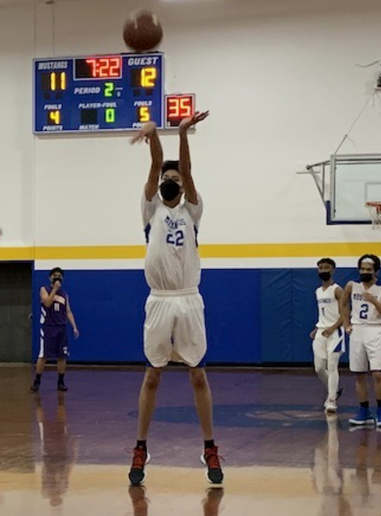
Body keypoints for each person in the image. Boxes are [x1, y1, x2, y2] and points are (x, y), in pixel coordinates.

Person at [126, 111, 224, 487]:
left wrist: (182, 134)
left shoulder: (193, 211)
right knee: (152, 376)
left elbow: (188, 169)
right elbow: (154, 167)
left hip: (189, 299)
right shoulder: (150, 210)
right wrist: (153, 137)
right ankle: (140, 447)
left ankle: (209, 447)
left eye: (174, 179)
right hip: (159, 300)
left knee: (198, 375)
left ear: (183, 187)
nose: (168, 182)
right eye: (166, 179)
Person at [344, 254, 381, 428]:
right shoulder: (352, 285)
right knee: (359, 373)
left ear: (376, 271)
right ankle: (364, 412)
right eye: (362, 269)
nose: (364, 272)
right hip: (357, 330)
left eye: (368, 269)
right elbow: (343, 304)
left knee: (377, 373)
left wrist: (374, 301)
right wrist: (346, 323)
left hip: (375, 329)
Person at [32, 267, 79, 392]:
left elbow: (68, 311)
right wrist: (54, 289)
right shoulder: (44, 289)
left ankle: (61, 382)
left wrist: (74, 326)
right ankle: (37, 381)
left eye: (60, 275)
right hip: (48, 327)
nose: (57, 277)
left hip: (61, 328)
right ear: (50, 278)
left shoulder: (64, 294)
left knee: (62, 356)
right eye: (55, 275)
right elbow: (47, 303)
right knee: (43, 356)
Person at [311, 258, 347, 412]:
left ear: (333, 270)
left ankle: (331, 400)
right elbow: (323, 313)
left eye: (326, 267)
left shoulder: (338, 290)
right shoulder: (318, 291)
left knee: (332, 365)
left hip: (336, 332)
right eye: (321, 268)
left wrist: (333, 327)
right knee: (319, 368)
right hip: (321, 331)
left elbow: (346, 313)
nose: (323, 270)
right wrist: (316, 328)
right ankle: (335, 389)